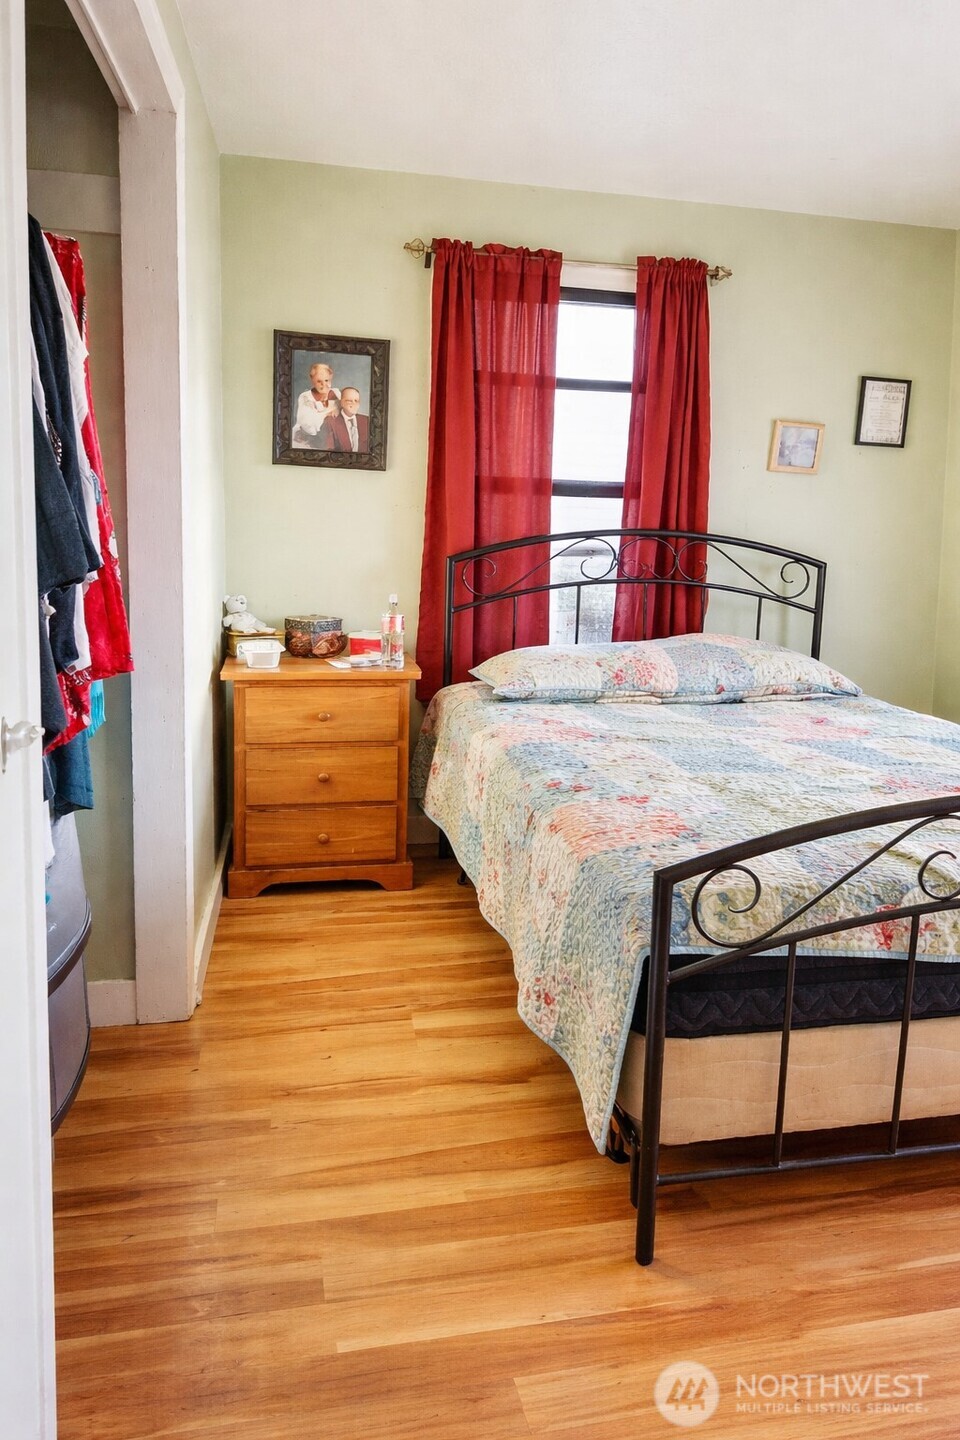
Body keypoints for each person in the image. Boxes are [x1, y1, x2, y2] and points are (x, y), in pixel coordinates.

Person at [292, 362, 340, 448]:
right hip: (306, 439)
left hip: (329, 439)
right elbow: (308, 426)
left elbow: (345, 413)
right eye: (319, 381)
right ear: (312, 380)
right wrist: (327, 416)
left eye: (326, 380)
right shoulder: (306, 397)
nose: (323, 384)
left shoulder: (336, 394)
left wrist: (339, 410)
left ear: (331, 378)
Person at [318, 386, 369, 453]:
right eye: (349, 401)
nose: (354, 404)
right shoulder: (331, 422)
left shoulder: (366, 421)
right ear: (341, 402)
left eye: (356, 401)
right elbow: (328, 451)